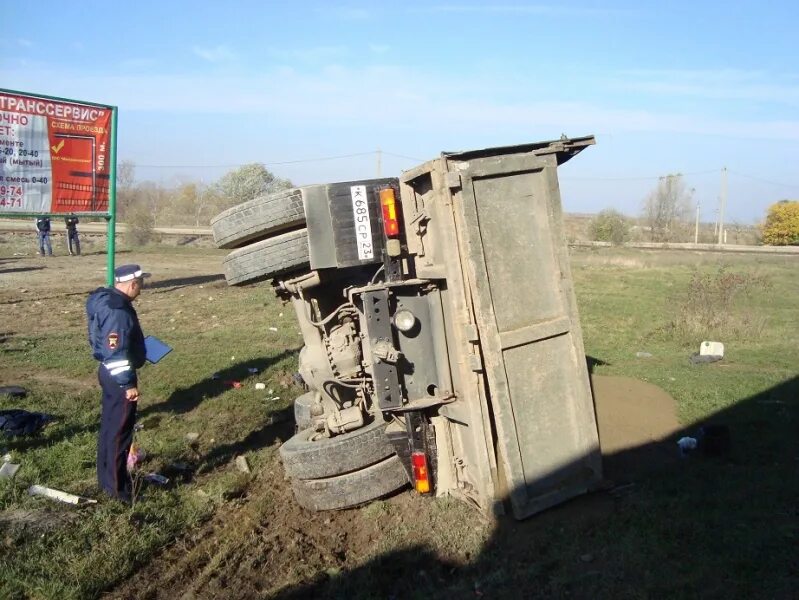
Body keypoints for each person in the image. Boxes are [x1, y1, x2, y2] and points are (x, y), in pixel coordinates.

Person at [86, 264, 149, 504]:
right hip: (118, 377)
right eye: (141, 284)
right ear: (132, 284)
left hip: (108, 373)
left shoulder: (106, 300)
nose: (141, 289)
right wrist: (128, 384)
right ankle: (119, 492)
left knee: (110, 430)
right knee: (120, 434)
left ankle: (106, 482)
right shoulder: (118, 311)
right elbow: (116, 352)